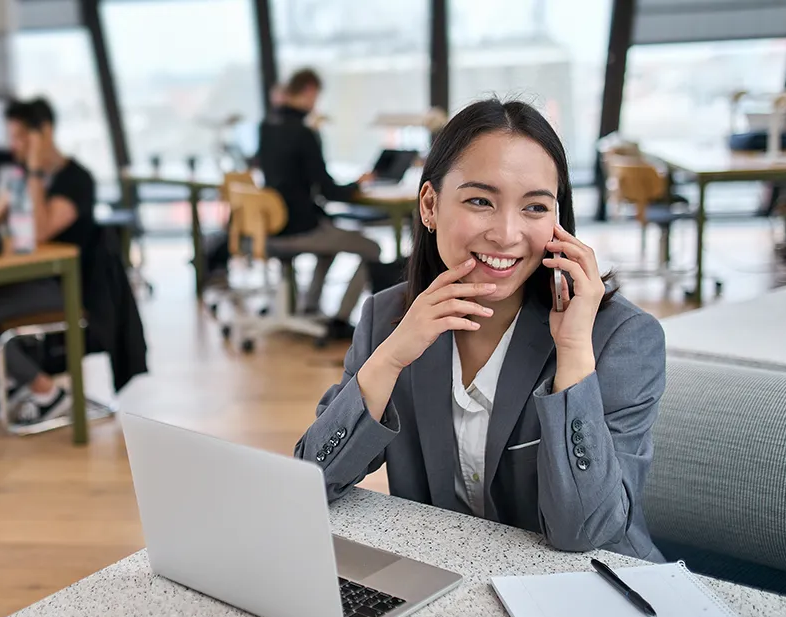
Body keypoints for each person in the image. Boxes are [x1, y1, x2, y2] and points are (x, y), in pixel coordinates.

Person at [295, 98, 666, 561]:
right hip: (455, 588)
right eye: (479, 201)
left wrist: (572, 352)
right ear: (430, 205)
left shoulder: (619, 337)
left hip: (596, 591)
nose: (507, 234)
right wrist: (390, 358)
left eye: (534, 207)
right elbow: (312, 478)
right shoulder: (386, 319)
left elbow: (583, 531)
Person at [0, 98, 147, 424]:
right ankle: (16, 379)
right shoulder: (18, 175)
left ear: (44, 133)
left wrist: (36, 171)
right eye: (11, 138)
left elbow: (40, 231)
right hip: (26, 278)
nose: (15, 146)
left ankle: (47, 392)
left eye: (21, 137)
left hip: (64, 285)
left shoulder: (76, 179)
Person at [256, 68, 382, 339]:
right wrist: (359, 183)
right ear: (310, 91)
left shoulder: (266, 128)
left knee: (331, 239)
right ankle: (340, 320)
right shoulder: (304, 134)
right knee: (371, 247)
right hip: (299, 229)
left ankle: (309, 306)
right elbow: (329, 192)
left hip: (269, 228)